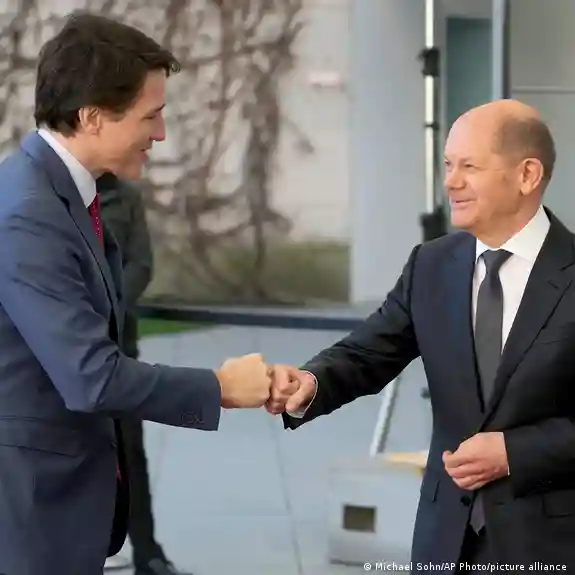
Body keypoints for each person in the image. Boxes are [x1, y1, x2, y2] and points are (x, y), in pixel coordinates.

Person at [0, 12, 272, 575]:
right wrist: (220, 388)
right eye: (151, 115)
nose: (161, 134)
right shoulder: (29, 213)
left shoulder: (63, 194)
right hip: (29, 517)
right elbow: (92, 376)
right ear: (93, 116)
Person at [267, 100, 575, 572]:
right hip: (444, 541)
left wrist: (514, 453)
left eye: (469, 166)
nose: (450, 182)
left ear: (527, 175)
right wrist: (311, 381)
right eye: (448, 165)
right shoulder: (431, 265)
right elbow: (368, 351)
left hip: (551, 545)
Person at [97, 173, 192, 575]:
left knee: (130, 452)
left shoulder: (126, 197)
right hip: (60, 345)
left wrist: (107, 306)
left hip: (118, 344)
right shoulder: (44, 188)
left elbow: (141, 263)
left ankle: (147, 553)